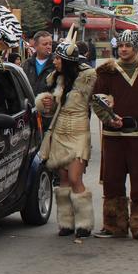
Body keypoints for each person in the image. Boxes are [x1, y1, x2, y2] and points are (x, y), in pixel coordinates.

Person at [90, 30, 138, 242]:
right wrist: (109, 118)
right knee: (112, 181)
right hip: (114, 136)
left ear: (135, 47)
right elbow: (97, 101)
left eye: (128, 46)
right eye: (121, 46)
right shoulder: (107, 72)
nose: (124, 50)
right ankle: (114, 225)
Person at [37, 40, 97, 240]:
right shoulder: (57, 79)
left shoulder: (88, 78)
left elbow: (100, 101)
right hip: (60, 130)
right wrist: (46, 103)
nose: (54, 61)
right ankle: (66, 222)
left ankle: (85, 223)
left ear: (67, 61)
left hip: (79, 130)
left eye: (58, 58)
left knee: (74, 178)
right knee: (62, 179)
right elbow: (52, 109)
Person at [22, 31, 56, 97]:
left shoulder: (56, 63)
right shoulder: (26, 64)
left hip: (49, 105)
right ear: (35, 46)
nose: (49, 47)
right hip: (30, 105)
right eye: (45, 44)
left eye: (50, 44)